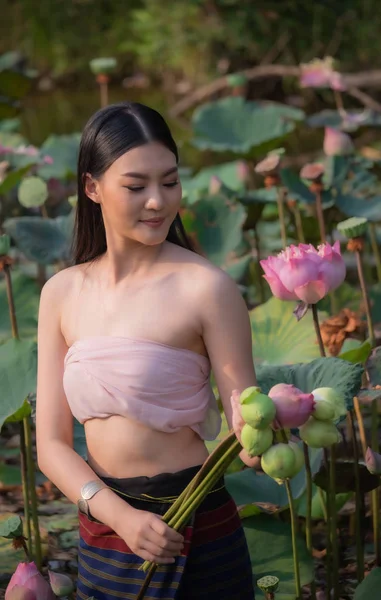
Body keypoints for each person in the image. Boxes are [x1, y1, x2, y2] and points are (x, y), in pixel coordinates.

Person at [36, 102, 257, 599]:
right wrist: (122, 518)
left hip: (194, 520)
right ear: (92, 188)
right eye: (136, 187)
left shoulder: (207, 288)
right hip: (107, 530)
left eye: (170, 182)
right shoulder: (61, 294)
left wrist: (268, 434)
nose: (158, 201)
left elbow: (247, 420)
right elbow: (50, 445)